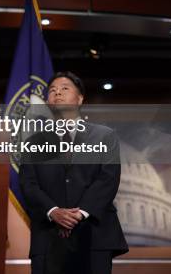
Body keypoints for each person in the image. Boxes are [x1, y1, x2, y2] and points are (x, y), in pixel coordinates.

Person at [19, 71, 128, 274]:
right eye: (52, 91)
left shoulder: (104, 136)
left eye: (64, 88)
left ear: (79, 98)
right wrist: (54, 211)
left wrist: (79, 214)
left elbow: (108, 179)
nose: (57, 93)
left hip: (94, 235)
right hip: (48, 235)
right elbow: (28, 184)